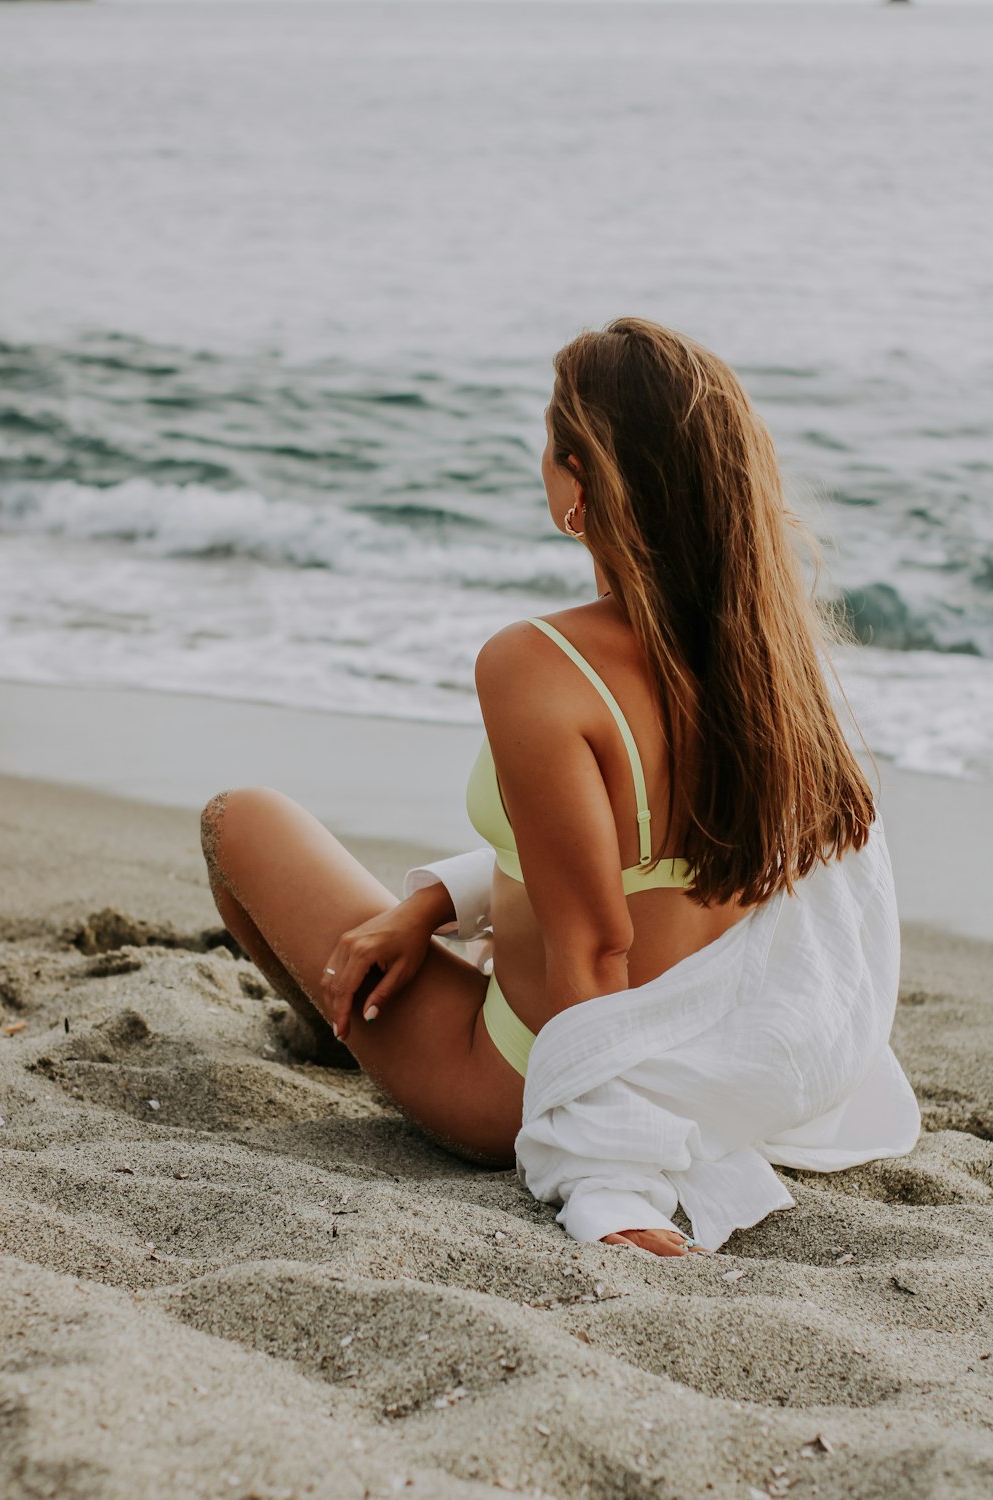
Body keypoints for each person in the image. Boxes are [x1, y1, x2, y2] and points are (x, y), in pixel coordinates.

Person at [200, 317, 919, 1261]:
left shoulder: (537, 665)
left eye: (549, 443)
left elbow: (596, 952)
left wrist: (606, 1184)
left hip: (527, 1075)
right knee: (371, 898)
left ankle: (344, 1038)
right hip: (693, 1062)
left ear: (578, 484)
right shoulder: (777, 665)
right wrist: (433, 900)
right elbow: (651, 859)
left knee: (239, 821)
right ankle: (361, 1022)